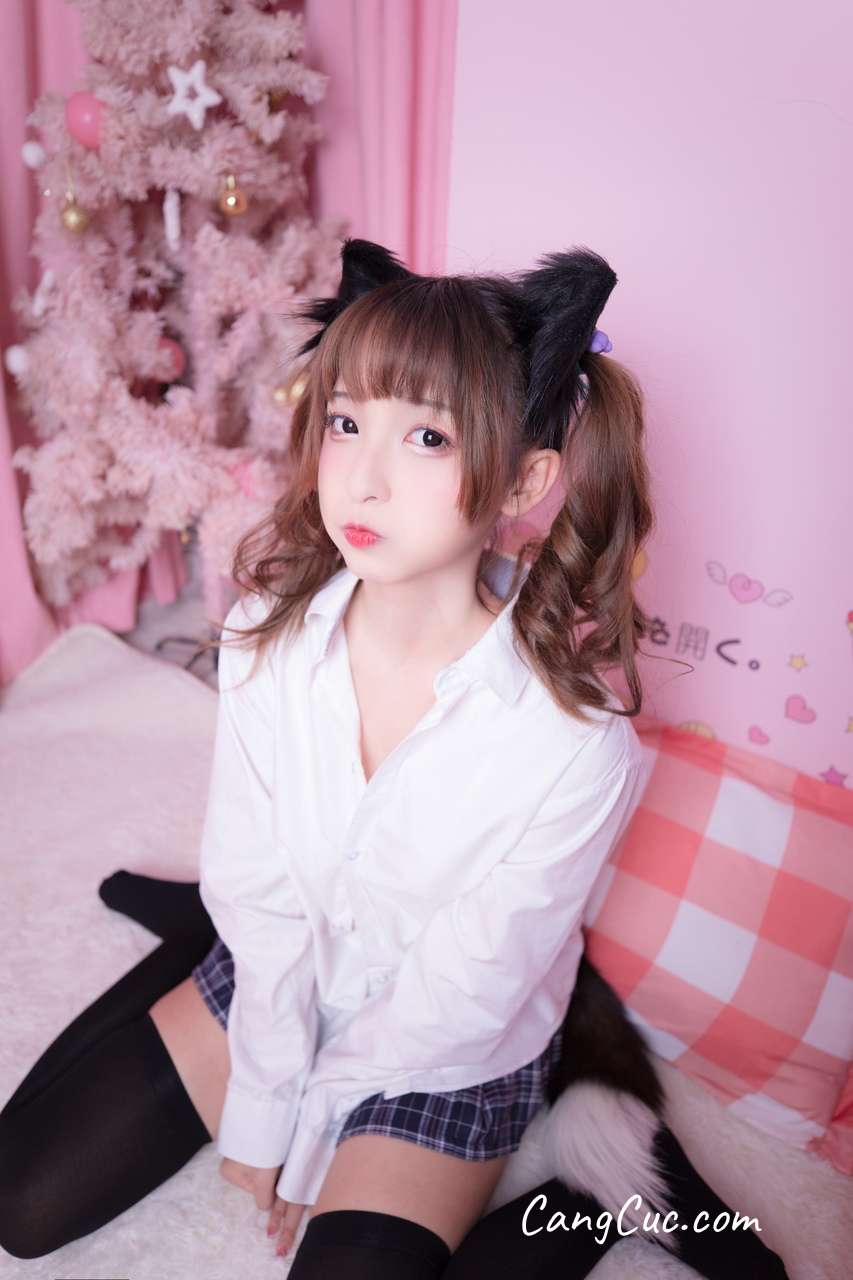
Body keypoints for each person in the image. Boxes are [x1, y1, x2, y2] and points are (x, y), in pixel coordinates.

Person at [0, 241, 787, 1279]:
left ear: (524, 478)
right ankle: (192, 940)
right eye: (345, 422)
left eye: (425, 435)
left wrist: (312, 1122)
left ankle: (592, 1194)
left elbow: (463, 991)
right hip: (288, 966)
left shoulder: (573, 739)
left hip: (449, 1046)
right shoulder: (268, 641)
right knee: (22, 1203)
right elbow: (258, 883)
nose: (361, 478)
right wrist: (263, 1090)